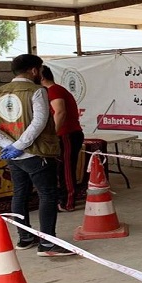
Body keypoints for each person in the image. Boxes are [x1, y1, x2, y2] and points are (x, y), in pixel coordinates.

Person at [0, 54, 75, 257]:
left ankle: (25, 238)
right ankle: (48, 243)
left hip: (13, 156)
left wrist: (10, 146)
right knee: (47, 194)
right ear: (34, 70)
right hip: (37, 152)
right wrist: (21, 145)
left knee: (20, 193)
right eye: (40, 69)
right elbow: (40, 122)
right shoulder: (37, 91)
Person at [40, 66, 85, 212]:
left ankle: (68, 202)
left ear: (41, 77)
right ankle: (62, 198)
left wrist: (53, 134)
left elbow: (60, 112)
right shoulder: (50, 91)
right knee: (60, 169)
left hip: (67, 134)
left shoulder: (54, 90)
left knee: (66, 169)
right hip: (64, 134)